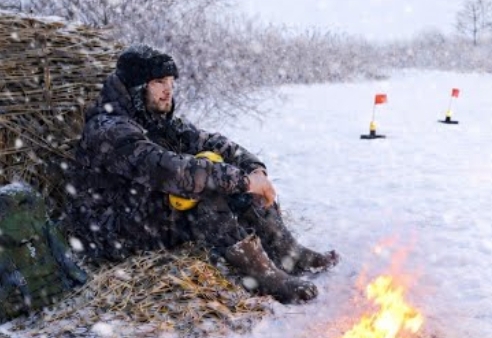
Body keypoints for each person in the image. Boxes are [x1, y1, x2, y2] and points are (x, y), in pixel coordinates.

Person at [64, 44, 338, 304]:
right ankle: (264, 278)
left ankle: (291, 255)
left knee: (234, 185)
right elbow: (172, 171)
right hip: (108, 230)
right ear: (137, 87)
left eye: (171, 82)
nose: (167, 91)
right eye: (158, 82)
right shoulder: (109, 129)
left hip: (140, 208)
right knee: (210, 194)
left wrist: (254, 169)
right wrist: (242, 181)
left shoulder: (153, 117)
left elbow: (211, 142)